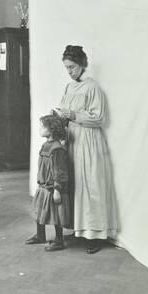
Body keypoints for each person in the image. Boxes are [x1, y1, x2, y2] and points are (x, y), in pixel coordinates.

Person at [54, 45, 118, 254]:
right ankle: (79, 228)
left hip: (89, 140)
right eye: (67, 68)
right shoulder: (68, 87)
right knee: (75, 184)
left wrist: (72, 115)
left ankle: (95, 235)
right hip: (73, 139)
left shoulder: (93, 88)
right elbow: (65, 111)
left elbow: (99, 118)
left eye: (72, 67)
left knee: (90, 184)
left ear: (82, 64)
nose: (70, 71)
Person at [26, 115, 72, 251]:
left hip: (53, 188)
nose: (40, 129)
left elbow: (60, 171)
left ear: (52, 129)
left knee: (56, 215)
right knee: (39, 211)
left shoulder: (56, 149)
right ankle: (40, 235)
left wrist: (58, 189)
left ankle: (59, 240)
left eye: (43, 127)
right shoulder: (46, 145)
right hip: (43, 187)